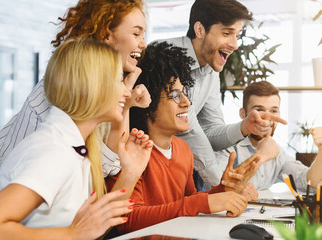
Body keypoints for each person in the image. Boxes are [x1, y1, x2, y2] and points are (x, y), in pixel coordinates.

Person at [0, 38, 153, 239]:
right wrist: (71, 234)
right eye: (117, 81)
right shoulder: (53, 151)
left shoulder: (76, 148)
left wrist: (131, 172)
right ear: (91, 85)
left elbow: (94, 229)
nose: (126, 91)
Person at [0, 0, 151, 204]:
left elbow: (106, 166)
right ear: (106, 34)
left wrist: (124, 103)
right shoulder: (68, 90)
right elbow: (30, 169)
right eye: (136, 34)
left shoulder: (103, 92)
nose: (143, 43)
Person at [110, 42, 259, 235]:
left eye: (185, 94)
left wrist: (223, 190)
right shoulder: (131, 149)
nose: (187, 103)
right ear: (149, 101)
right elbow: (126, 220)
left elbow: (188, 202)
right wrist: (203, 202)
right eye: (175, 96)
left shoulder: (182, 149)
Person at [157, 0, 287, 190]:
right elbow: (190, 131)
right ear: (200, 30)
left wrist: (245, 126)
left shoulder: (211, 70)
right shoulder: (168, 54)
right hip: (147, 163)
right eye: (226, 33)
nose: (234, 44)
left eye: (237, 35)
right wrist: (228, 185)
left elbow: (210, 130)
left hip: (176, 169)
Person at [216, 81, 322, 191]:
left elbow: (310, 183)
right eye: (259, 110)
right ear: (243, 114)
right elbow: (215, 187)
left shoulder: (277, 153)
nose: (267, 119)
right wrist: (261, 156)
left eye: (274, 111)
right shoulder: (225, 144)